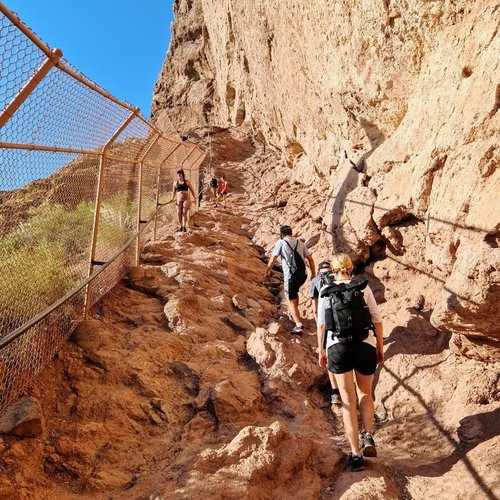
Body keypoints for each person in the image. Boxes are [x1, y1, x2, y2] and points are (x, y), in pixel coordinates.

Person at [316, 253, 384, 472]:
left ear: (333, 270)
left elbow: (321, 325)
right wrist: (380, 348)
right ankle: (368, 435)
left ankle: (355, 454)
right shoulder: (362, 287)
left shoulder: (326, 290)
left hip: (337, 348)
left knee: (347, 400)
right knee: (366, 394)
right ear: (350, 269)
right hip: (365, 345)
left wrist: (321, 351)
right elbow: (377, 319)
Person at [264, 225, 316, 334]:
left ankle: (299, 325)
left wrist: (267, 271)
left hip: (290, 276)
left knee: (290, 301)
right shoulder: (300, 243)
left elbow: (273, 259)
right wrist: (313, 274)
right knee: (294, 294)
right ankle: (296, 314)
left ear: (282, 234)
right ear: (291, 233)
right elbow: (310, 259)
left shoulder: (281, 243)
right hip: (303, 275)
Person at [310, 260, 342, 406]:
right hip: (342, 320)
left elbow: (315, 307)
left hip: (326, 320)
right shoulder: (338, 277)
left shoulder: (316, 281)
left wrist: (318, 321)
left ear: (318, 270)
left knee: (329, 357)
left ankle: (336, 392)